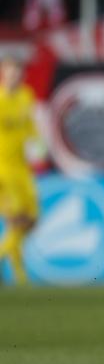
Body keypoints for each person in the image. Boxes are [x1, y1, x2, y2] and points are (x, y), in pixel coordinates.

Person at [0, 56, 40, 285]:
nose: (13, 75)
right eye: (9, 71)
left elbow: (30, 126)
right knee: (17, 221)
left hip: (22, 168)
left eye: (17, 71)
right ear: (3, 74)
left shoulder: (26, 96)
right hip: (3, 169)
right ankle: (21, 279)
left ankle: (18, 277)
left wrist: (38, 142)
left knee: (32, 220)